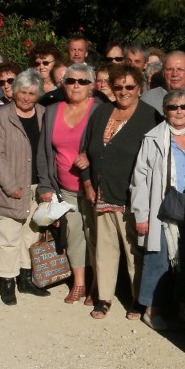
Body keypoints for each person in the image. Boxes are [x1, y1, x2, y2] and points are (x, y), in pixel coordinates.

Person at [79, 64, 159, 319]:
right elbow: (84, 152)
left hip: (132, 197)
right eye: (118, 87)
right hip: (102, 193)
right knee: (105, 249)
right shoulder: (101, 113)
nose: (123, 91)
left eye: (129, 87)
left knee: (133, 251)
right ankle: (104, 298)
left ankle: (138, 299)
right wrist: (88, 183)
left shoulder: (150, 117)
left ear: (139, 88)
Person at [131, 89, 185, 330]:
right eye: (173, 107)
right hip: (162, 208)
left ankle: (181, 309)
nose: (179, 111)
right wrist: (141, 214)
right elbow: (140, 178)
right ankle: (150, 309)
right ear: (165, 110)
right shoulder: (153, 138)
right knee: (158, 259)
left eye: (184, 106)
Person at [37, 63, 102, 303]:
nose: (76, 85)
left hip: (95, 189)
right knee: (75, 235)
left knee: (96, 236)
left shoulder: (100, 110)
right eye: (71, 81)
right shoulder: (52, 111)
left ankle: (98, 284)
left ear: (91, 87)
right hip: (66, 189)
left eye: (82, 82)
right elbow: (44, 152)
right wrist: (45, 185)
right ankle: (79, 283)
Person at [0, 69, 49, 304]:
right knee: (8, 235)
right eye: (23, 92)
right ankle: (7, 281)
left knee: (30, 234)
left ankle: (25, 277)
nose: (26, 97)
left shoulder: (43, 114)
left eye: (32, 93)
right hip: (9, 186)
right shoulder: (2, 116)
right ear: (14, 92)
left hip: (36, 185)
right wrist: (10, 186)